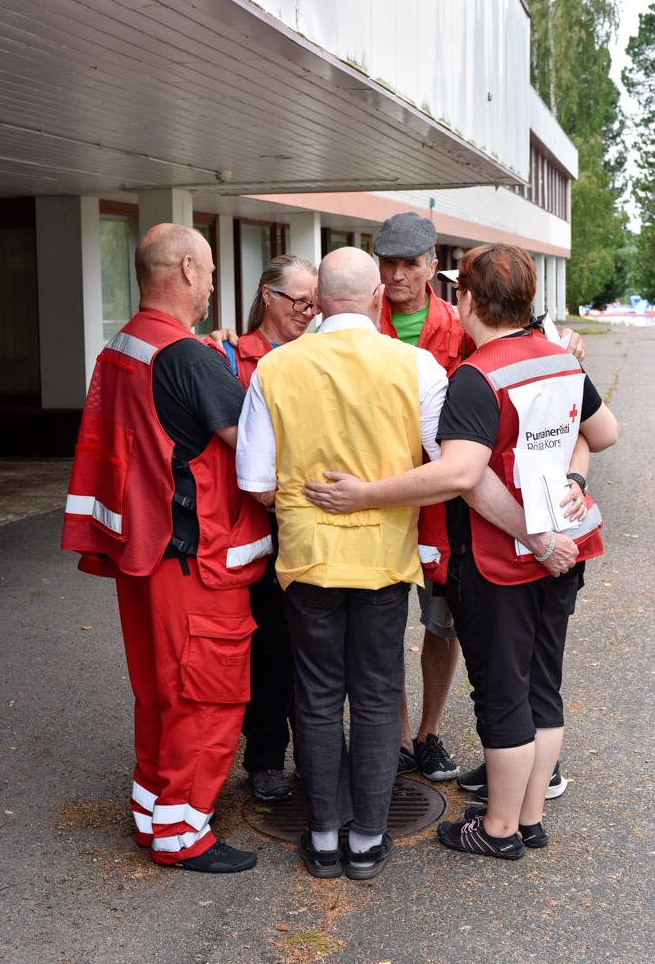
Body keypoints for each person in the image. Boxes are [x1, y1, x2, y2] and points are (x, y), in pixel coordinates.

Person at [305, 243, 618, 860]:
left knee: (502, 694)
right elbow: (602, 431)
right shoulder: (557, 356)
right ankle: (528, 818)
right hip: (565, 547)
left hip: (504, 561)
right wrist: (572, 483)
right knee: (542, 686)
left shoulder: (477, 375)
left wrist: (363, 494)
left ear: (469, 300)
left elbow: (460, 474)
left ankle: (498, 830)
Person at [61, 224, 273, 874]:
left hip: (144, 554)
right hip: (198, 561)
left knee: (159, 695)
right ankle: (182, 835)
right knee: (206, 699)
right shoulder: (186, 357)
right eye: (208, 271)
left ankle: (153, 815)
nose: (211, 285)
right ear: (185, 269)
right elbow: (257, 452)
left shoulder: (124, 344)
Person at [236, 247, 449, 880]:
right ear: (377, 296)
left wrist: (302, 502)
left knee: (318, 694)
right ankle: (368, 841)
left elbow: (255, 481)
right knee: (378, 695)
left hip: (308, 559)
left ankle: (325, 836)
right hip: (384, 558)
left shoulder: (276, 367)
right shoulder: (416, 366)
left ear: (320, 301)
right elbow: (446, 466)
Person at [374, 212, 584, 789]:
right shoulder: (357, 318)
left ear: (431, 267)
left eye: (409, 264)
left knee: (446, 626)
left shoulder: (462, 323)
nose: (396, 275)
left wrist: (562, 351)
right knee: (383, 624)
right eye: (387, 263)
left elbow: (519, 364)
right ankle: (397, 740)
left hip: (450, 506)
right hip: (386, 502)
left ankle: (429, 734)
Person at [215, 254, 318, 801]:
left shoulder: (319, 356)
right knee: (270, 644)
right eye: (297, 300)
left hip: (313, 519)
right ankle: (265, 757)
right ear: (267, 295)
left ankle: (317, 751)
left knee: (316, 645)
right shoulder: (229, 356)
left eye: (313, 302)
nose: (307, 311)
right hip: (255, 526)